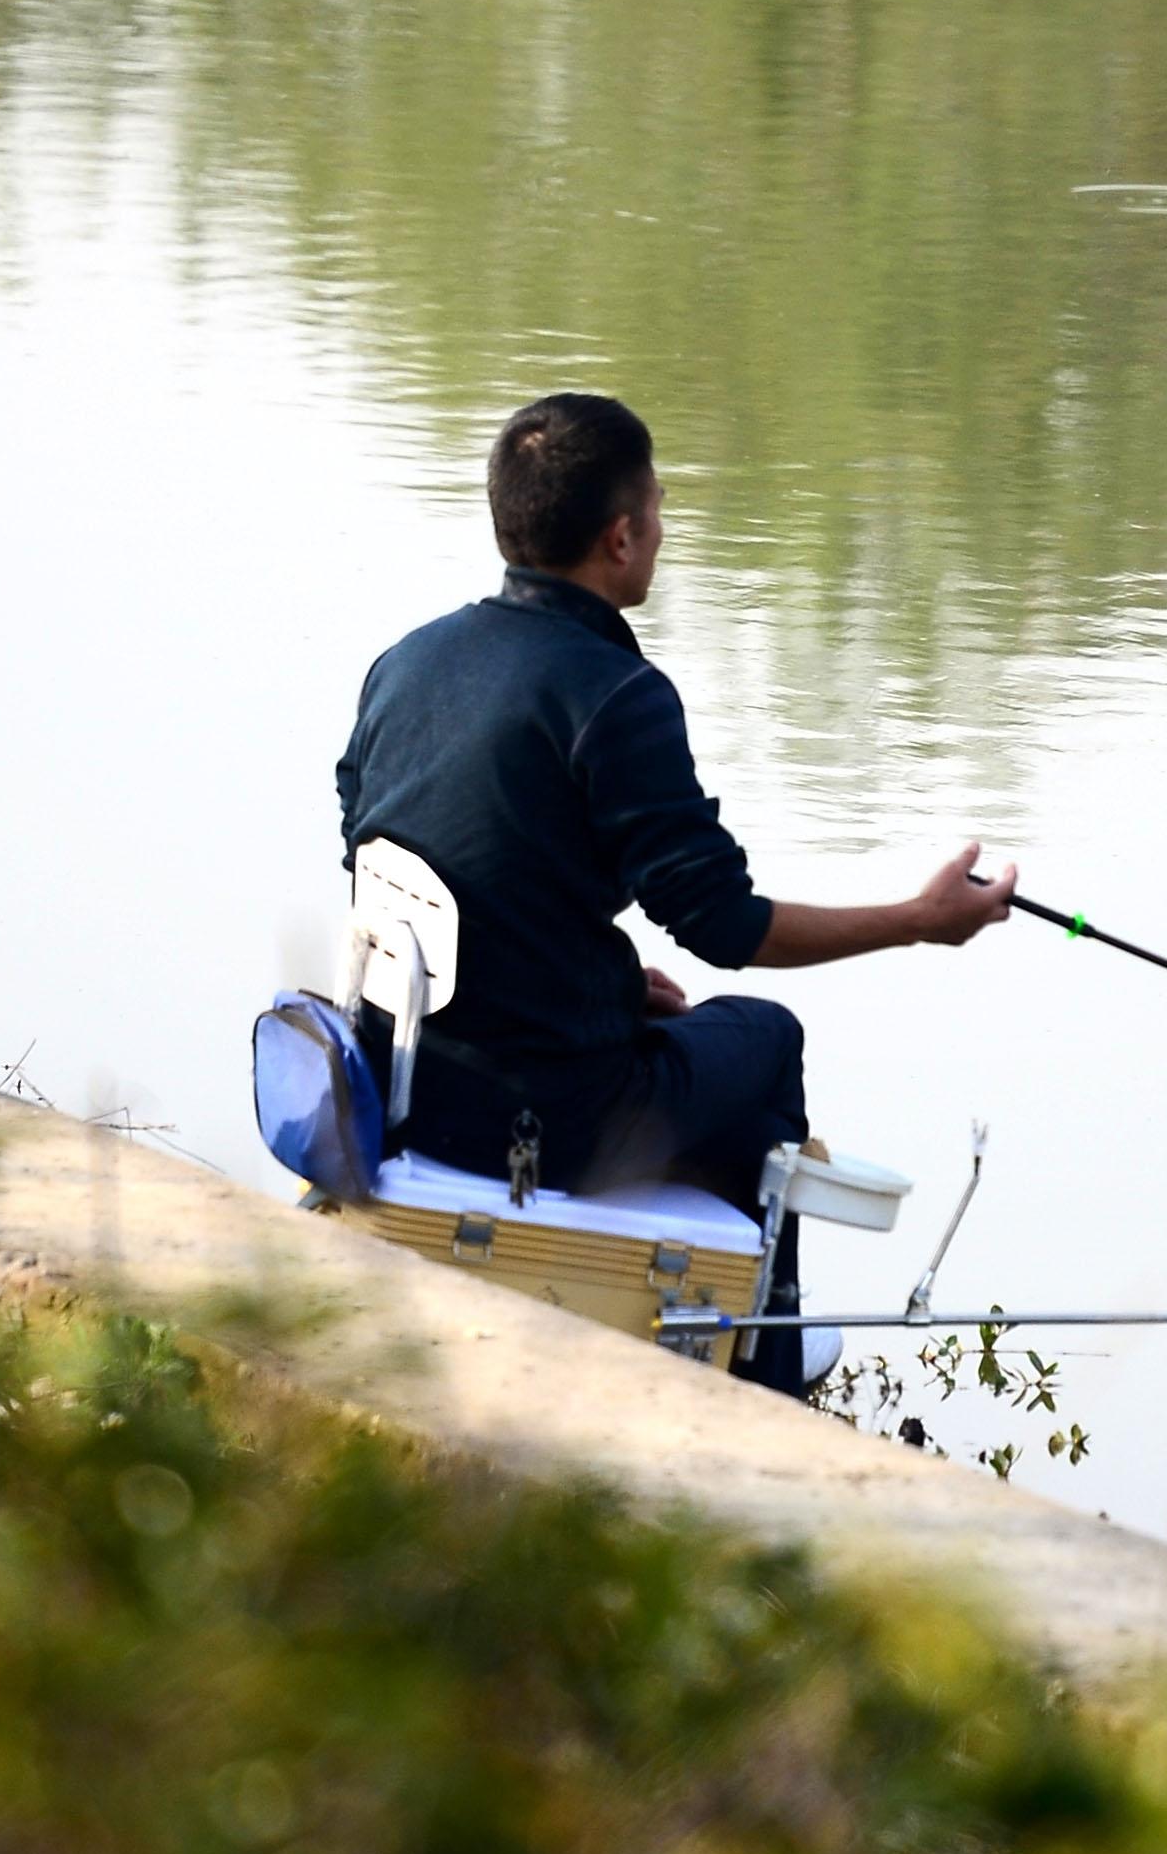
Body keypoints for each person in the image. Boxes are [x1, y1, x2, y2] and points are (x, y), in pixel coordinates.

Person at [336, 392, 1012, 1390]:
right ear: (619, 538)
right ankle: (758, 1367)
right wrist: (920, 921)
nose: (661, 527)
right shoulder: (616, 695)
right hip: (534, 1118)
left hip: (398, 1087)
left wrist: (599, 987)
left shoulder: (409, 660)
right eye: (656, 508)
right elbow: (724, 926)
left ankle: (655, 1299)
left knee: (688, 1035)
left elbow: (376, 844)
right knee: (763, 1037)